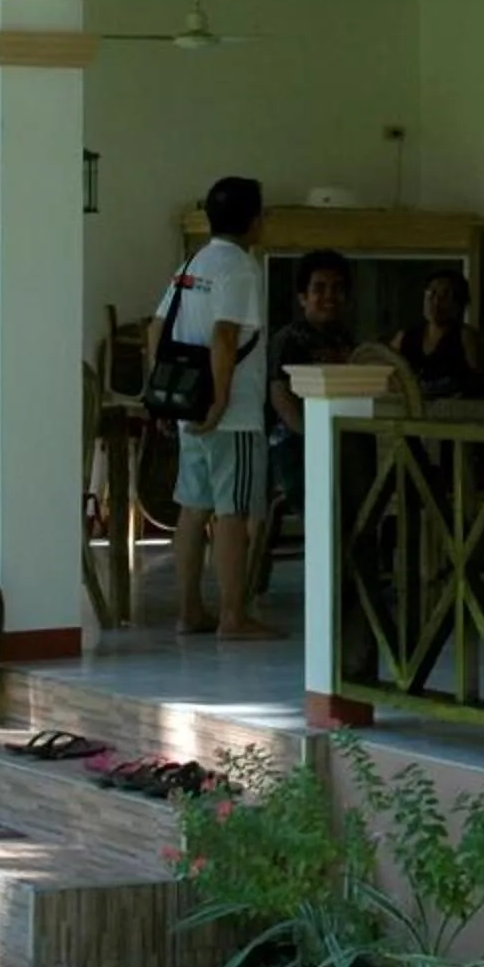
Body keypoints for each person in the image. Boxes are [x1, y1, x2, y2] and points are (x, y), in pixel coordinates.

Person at [154, 176, 275, 639]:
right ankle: (233, 616)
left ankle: (189, 612)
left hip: (188, 407)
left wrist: (165, 396)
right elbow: (226, 336)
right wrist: (222, 400)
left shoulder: (192, 263)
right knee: (233, 512)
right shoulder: (241, 268)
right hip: (233, 414)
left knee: (193, 507)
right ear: (253, 219)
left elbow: (157, 328)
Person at [266, 249, 357, 515]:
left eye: (337, 288)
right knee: (322, 501)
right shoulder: (288, 339)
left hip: (343, 438)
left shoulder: (346, 339)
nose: (329, 296)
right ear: (303, 297)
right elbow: (280, 397)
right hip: (294, 443)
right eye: (319, 288)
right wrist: (315, 436)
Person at [392, 268, 484, 400]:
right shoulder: (405, 337)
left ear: (458, 304)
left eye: (445, 297)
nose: (436, 303)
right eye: (432, 294)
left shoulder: (465, 337)